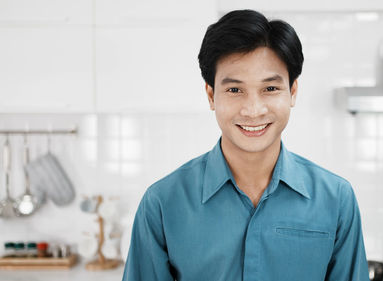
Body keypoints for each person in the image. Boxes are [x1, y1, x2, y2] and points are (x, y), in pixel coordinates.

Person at [122, 9, 369, 281]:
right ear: (211, 95)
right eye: (235, 90)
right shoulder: (162, 204)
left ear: (293, 92)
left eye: (270, 89)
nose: (253, 110)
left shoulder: (336, 200)